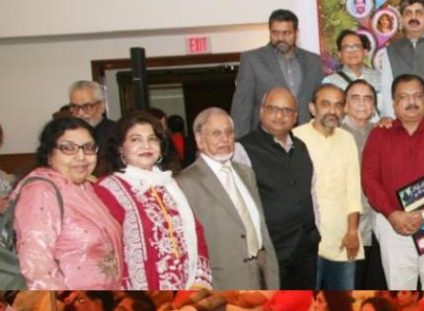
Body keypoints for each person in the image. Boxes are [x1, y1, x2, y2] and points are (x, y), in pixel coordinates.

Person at [361, 74, 424, 290]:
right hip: (393, 224)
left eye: (417, 96)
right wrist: (392, 214)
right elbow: (369, 180)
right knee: (400, 290)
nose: (412, 102)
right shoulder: (379, 135)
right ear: (394, 104)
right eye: (404, 97)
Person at [95, 111, 212, 289]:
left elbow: (196, 231)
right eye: (135, 139)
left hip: (188, 285)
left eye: (153, 139)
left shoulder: (170, 184)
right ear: (120, 147)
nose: (146, 145)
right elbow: (105, 249)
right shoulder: (108, 189)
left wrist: (199, 282)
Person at [11, 117, 122, 289]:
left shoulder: (86, 188)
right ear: (49, 154)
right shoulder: (40, 191)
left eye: (88, 147)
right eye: (68, 148)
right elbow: (37, 267)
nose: (81, 156)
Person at [177, 107, 280, 290]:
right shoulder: (185, 182)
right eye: (216, 133)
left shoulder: (246, 173)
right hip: (223, 281)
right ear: (199, 139)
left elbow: (260, 225)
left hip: (262, 273)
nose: (225, 138)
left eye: (229, 132)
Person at [237, 87, 319, 289]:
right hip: (270, 251)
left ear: (296, 116)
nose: (280, 116)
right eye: (273, 109)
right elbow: (240, 205)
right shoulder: (243, 149)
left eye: (287, 110)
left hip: (305, 248)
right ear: (261, 111)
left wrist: (316, 230)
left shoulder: (301, 147)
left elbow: (311, 192)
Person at [292, 85, 363, 289]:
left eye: (338, 105)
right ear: (312, 108)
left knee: (341, 302)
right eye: (326, 104)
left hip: (342, 239)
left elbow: (353, 189)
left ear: (344, 109)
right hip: (307, 242)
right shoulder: (296, 138)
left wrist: (352, 231)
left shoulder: (347, 139)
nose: (333, 110)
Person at [230, 9, 324, 137]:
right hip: (265, 138)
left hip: (305, 136)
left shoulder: (313, 61)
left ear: (296, 33)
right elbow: (242, 105)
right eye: (275, 33)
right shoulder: (252, 60)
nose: (280, 38)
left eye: (286, 33)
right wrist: (241, 142)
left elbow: (320, 101)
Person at [341, 80, 388, 290]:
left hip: (378, 221)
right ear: (345, 105)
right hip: (348, 224)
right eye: (355, 98)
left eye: (368, 98)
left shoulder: (381, 132)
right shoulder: (335, 134)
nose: (362, 104)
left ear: (374, 105)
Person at [323, 29, 383, 105]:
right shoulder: (330, 82)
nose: (352, 51)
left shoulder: (379, 78)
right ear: (339, 54)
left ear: (365, 52)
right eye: (346, 48)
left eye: (357, 47)